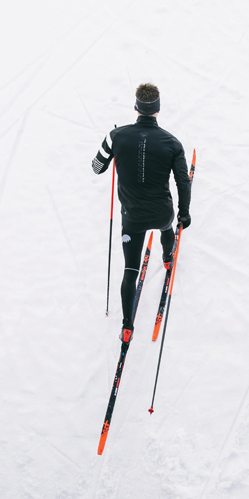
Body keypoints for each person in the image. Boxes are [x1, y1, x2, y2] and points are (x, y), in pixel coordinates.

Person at [91, 83, 191, 343]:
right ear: (157, 110)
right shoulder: (172, 143)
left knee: (130, 270)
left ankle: (127, 326)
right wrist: (184, 213)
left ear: (136, 108)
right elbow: (183, 182)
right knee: (167, 228)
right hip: (162, 213)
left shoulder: (117, 136)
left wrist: (111, 146)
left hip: (132, 218)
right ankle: (168, 257)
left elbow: (96, 168)